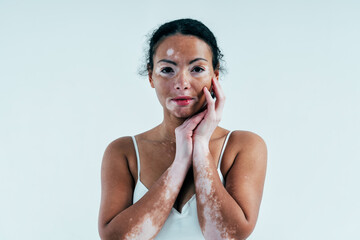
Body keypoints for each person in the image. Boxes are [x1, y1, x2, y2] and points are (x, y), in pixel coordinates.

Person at [98, 18, 267, 240]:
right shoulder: (123, 151)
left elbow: (226, 236)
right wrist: (179, 163)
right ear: (151, 76)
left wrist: (201, 146)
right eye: (167, 69)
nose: (182, 83)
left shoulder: (242, 146)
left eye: (197, 69)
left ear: (214, 76)